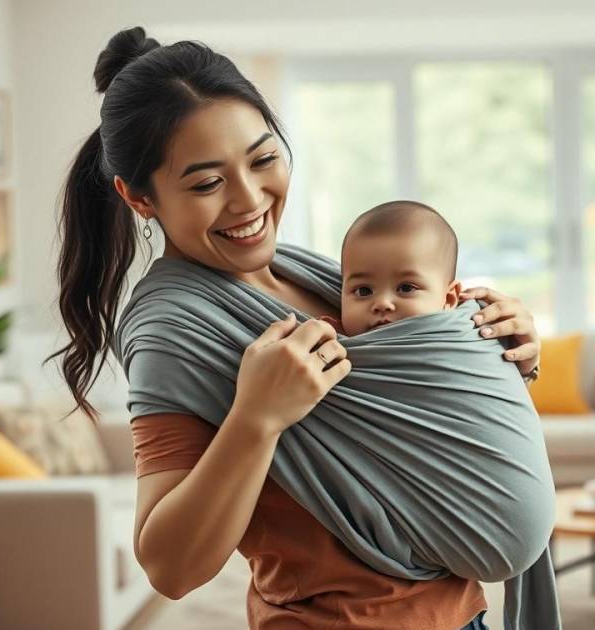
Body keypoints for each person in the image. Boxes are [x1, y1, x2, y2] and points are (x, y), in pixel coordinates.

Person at [50, 27, 542, 630]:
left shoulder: (309, 272)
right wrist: (257, 417)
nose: (249, 200)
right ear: (138, 197)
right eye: (207, 183)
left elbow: (408, 415)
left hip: (461, 615)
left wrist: (490, 346)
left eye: (263, 159)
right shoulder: (172, 329)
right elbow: (169, 566)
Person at [324, 200, 462, 336]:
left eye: (406, 288)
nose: (382, 303)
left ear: (449, 298)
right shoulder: (327, 341)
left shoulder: (466, 337)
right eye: (363, 291)